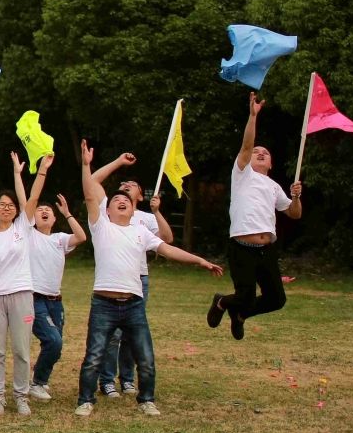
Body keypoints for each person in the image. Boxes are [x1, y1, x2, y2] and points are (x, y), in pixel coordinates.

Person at [76, 143, 223, 417]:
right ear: (108, 210)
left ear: (133, 210)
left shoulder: (141, 232)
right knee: (94, 355)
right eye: (116, 199)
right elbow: (89, 193)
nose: (121, 200)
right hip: (104, 304)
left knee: (145, 357)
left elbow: (168, 249)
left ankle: (146, 399)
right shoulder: (101, 226)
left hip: (133, 304)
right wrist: (86, 165)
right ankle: (86, 400)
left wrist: (200, 260)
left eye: (126, 200)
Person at [206, 93, 303, 341]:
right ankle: (222, 302)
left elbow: (294, 213)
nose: (260, 153)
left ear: (271, 164)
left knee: (277, 299)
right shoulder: (242, 174)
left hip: (266, 249)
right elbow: (246, 146)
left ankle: (240, 315)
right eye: (256, 151)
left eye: (265, 153)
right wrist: (253, 116)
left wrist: (296, 197)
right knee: (244, 296)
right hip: (242, 248)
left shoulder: (274, 186)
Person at [0, 151, 48, 416]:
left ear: (16, 210)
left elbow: (33, 197)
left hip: (21, 295)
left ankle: (21, 396)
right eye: (1, 205)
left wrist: (25, 173)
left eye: (11, 205)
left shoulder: (22, 228)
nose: (6, 208)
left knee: (21, 349)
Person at [99, 177, 172, 397]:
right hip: (113, 279)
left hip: (139, 278)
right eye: (123, 184)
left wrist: (157, 212)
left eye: (132, 184)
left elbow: (167, 239)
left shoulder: (146, 218)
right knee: (112, 335)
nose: (126, 185)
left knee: (131, 333)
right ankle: (107, 380)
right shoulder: (108, 214)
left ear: (140, 196)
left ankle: (127, 379)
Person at [27, 193, 85, 402]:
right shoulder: (28, 236)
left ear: (54, 219)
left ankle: (39, 377)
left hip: (55, 301)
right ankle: (37, 383)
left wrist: (67, 213)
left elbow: (81, 237)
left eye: (48, 211)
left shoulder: (59, 238)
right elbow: (28, 207)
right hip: (34, 299)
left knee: (55, 347)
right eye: (40, 210)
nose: (44, 212)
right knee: (54, 341)